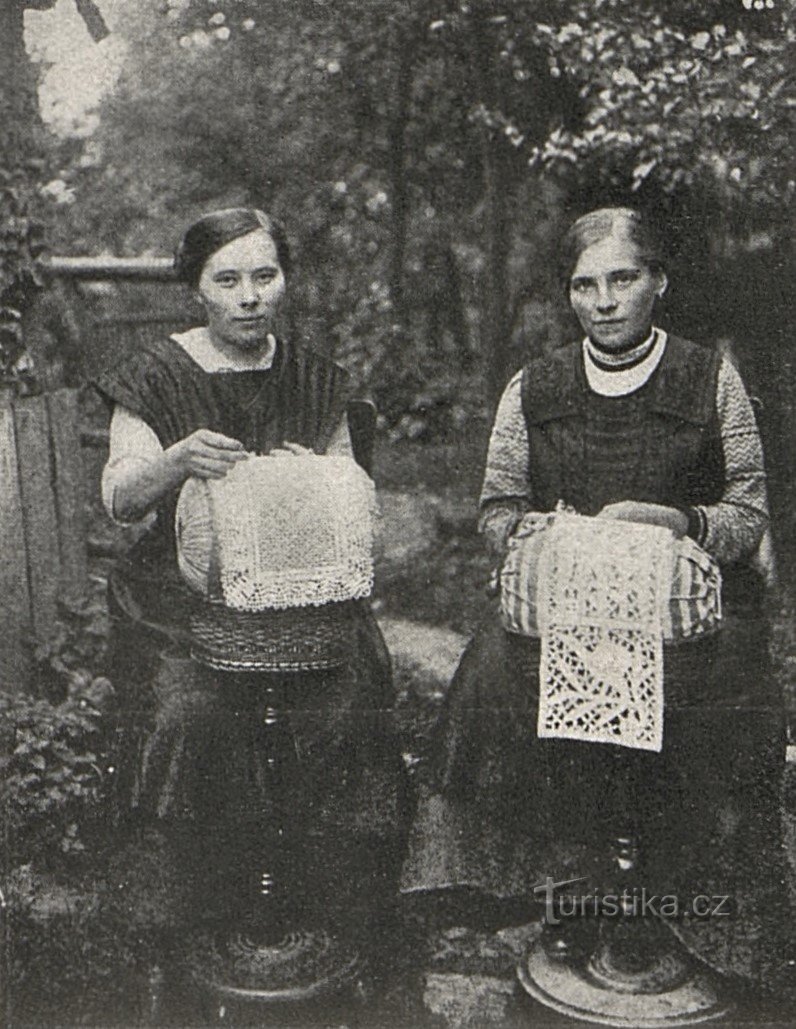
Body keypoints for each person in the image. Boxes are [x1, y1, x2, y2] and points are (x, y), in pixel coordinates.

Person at [400, 207, 787, 992]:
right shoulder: (533, 387)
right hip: (571, 604)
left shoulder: (710, 377)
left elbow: (749, 512)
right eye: (585, 284)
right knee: (496, 675)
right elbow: (496, 507)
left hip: (688, 609)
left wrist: (679, 520)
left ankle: (694, 914)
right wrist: (530, 530)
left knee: (721, 700)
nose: (604, 300)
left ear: (658, 282)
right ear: (568, 295)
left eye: (623, 279)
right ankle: (563, 893)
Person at [93, 208, 406, 955]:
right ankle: (189, 912)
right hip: (180, 601)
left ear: (284, 281)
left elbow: (355, 501)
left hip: (302, 591)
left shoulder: (312, 375)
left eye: (264, 275)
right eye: (226, 279)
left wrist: (317, 478)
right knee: (188, 710)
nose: (248, 296)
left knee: (347, 693)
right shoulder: (156, 372)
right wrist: (178, 458)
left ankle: (325, 903)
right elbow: (120, 497)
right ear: (196, 288)